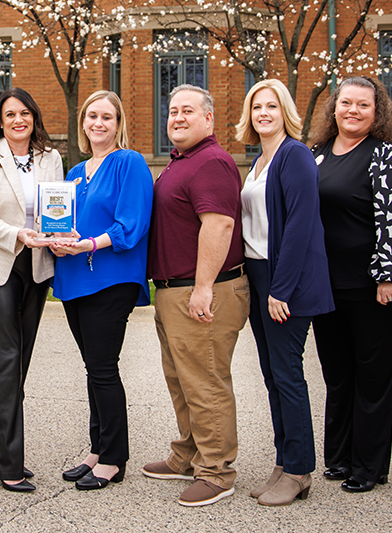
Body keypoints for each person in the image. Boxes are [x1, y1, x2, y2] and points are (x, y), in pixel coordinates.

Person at [141, 84, 250, 508]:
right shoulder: (181, 162)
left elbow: (219, 225)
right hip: (175, 290)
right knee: (182, 379)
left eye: (188, 111)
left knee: (205, 382)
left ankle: (217, 471)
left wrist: (202, 288)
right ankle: (189, 453)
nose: (178, 118)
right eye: (172, 111)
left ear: (209, 119)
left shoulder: (213, 162)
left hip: (203, 290)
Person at [308, 77, 392, 493]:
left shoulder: (385, 155)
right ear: (333, 108)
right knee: (338, 376)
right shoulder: (316, 155)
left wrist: (390, 275)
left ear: (378, 112)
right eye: (346, 103)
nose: (353, 111)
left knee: (374, 380)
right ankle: (338, 457)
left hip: (375, 287)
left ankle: (368, 467)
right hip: (328, 287)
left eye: (363, 105)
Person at [236, 78, 333, 507]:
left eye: (271, 106)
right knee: (273, 374)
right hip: (259, 275)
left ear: (285, 111)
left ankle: (299, 470)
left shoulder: (295, 155)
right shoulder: (260, 160)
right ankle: (283, 460)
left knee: (288, 374)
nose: (263, 114)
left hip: (283, 281)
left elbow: (299, 227)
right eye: (257, 107)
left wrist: (281, 288)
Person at [50, 91, 153, 491]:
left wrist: (89, 244)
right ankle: (97, 450)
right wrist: (57, 241)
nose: (98, 123)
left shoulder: (129, 163)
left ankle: (113, 458)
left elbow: (133, 223)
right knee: (94, 368)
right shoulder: (74, 173)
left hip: (111, 280)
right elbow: (63, 223)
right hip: (75, 279)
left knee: (104, 369)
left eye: (106, 117)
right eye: (91, 116)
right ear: (83, 123)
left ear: (118, 123)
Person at [0, 87, 64, 492]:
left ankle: (0, 450)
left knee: (16, 362)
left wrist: (58, 232)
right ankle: (8, 465)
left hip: (36, 266)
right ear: (0, 122)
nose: (18, 120)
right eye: (10, 115)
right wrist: (18, 234)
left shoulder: (51, 158)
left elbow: (57, 205)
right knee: (3, 361)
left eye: (25, 112)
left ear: (34, 117)